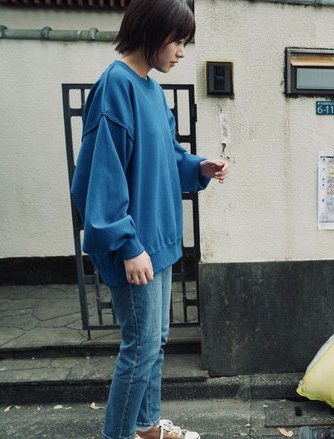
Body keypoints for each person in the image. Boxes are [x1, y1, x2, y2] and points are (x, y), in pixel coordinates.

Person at [70, 1, 227, 438]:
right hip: (135, 248)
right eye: (177, 41)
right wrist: (126, 244)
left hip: (157, 242)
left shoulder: (152, 91)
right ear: (151, 32)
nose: (181, 52)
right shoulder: (115, 86)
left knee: (153, 344)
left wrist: (198, 166)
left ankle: (146, 426)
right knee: (139, 349)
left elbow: (168, 155)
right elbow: (101, 176)